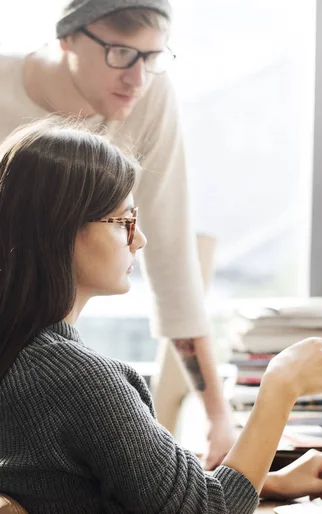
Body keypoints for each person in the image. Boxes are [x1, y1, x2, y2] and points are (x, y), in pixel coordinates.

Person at [0, 118, 322, 513]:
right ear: (61, 231)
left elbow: (95, 489)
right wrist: (280, 387)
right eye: (124, 222)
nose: (140, 239)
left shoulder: (22, 356)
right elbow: (208, 510)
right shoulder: (78, 380)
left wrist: (265, 482)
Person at [0, 0, 235, 468]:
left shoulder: (150, 94)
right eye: (122, 54)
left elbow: (170, 257)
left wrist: (217, 417)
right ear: (67, 38)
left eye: (153, 57)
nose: (138, 78)